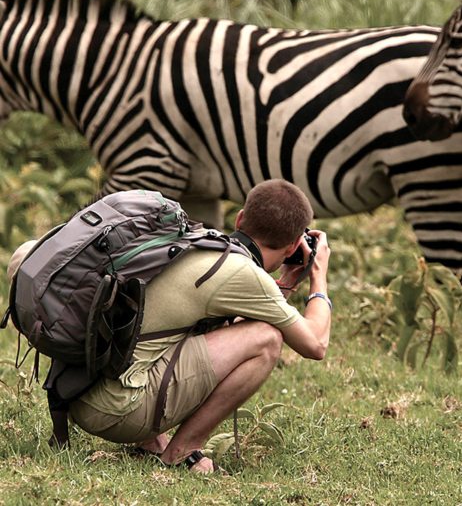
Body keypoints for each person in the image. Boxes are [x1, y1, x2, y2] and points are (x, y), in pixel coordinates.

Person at [8, 180, 331, 474]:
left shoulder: (191, 243)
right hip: (119, 413)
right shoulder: (242, 273)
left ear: (241, 218)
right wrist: (318, 276)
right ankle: (183, 450)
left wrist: (283, 286)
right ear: (292, 248)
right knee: (266, 338)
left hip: (78, 393)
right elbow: (314, 345)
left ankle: (152, 442)